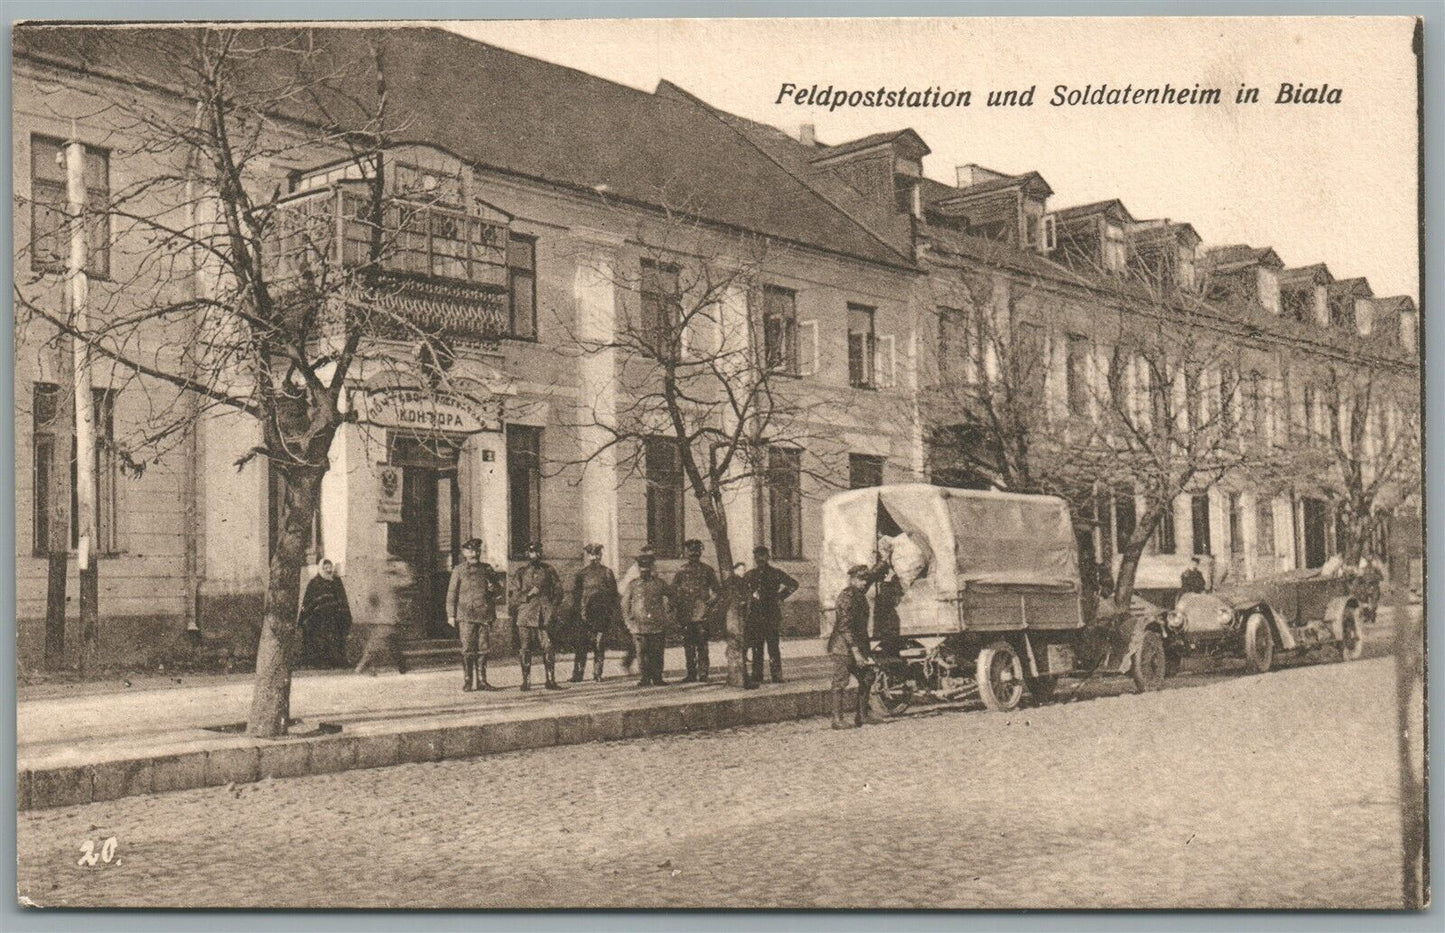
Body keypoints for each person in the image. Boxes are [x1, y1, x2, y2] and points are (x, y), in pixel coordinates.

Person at [829, 564, 884, 729]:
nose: (864, 583)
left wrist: (884, 560)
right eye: (861, 580)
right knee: (840, 682)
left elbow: (873, 575)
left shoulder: (859, 593)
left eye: (866, 580)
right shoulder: (847, 596)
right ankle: (837, 720)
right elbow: (844, 627)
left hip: (856, 646)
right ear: (852, 579)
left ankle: (862, 715)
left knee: (867, 677)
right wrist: (857, 653)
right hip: (843, 647)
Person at [447, 538, 503, 692]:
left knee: (483, 648)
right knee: (467, 649)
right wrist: (451, 615)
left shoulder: (487, 569)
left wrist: (494, 588)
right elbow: (452, 593)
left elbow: (499, 591)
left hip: (484, 614)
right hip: (466, 615)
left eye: (477, 550)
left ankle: (482, 681)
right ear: (465, 553)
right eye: (470, 551)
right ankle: (467, 680)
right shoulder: (458, 570)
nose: (474, 553)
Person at [508, 541, 564, 691]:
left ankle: (550, 680)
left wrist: (552, 606)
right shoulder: (521, 572)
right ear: (528, 554)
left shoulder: (549, 570)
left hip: (545, 615)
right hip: (526, 615)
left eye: (538, 552)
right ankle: (526, 681)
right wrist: (528, 594)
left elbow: (559, 591)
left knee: (548, 646)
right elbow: (513, 596)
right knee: (525, 648)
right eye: (532, 552)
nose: (536, 555)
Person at [743, 546, 798, 684]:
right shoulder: (749, 575)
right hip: (755, 616)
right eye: (757, 556)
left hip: (771, 615)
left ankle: (777, 675)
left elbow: (793, 584)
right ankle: (757, 675)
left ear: (768, 557)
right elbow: (743, 592)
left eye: (762, 555)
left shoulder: (776, 573)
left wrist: (780, 596)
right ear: (754, 558)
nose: (760, 559)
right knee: (757, 647)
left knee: (773, 647)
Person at [569, 543, 622, 682]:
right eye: (592, 555)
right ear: (588, 556)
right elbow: (576, 595)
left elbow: (613, 595)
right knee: (581, 645)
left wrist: (610, 613)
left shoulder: (607, 572)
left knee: (599, 644)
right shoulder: (582, 574)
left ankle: (597, 674)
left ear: (600, 556)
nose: (594, 557)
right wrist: (578, 613)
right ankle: (578, 675)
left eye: (597, 554)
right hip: (584, 614)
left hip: (601, 614)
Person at [671, 539, 720, 682]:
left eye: (696, 551)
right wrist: (673, 606)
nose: (693, 554)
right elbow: (674, 591)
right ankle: (691, 673)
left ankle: (703, 673)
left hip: (702, 614)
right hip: (685, 614)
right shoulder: (681, 571)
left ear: (700, 552)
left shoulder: (707, 570)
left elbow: (717, 591)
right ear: (686, 553)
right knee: (688, 645)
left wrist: (709, 604)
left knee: (702, 645)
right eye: (690, 551)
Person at [624, 551, 674, 687]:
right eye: (642, 568)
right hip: (638, 626)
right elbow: (625, 604)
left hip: (657, 624)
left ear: (651, 568)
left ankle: (657, 677)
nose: (645, 571)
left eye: (647, 568)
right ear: (639, 569)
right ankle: (645, 677)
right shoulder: (633, 585)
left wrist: (668, 613)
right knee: (641, 653)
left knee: (657, 652)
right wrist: (629, 622)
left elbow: (672, 596)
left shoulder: (659, 584)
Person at [355, 560, 410, 676]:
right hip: (387, 617)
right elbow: (407, 582)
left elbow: (371, 597)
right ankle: (363, 666)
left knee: (390, 642)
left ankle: (400, 667)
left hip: (382, 616)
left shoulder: (378, 578)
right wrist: (403, 570)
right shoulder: (391, 578)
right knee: (379, 643)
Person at [300, 558, 352, 669]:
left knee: (336, 638)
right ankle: (320, 662)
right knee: (320, 639)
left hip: (335, 617)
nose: (328, 570)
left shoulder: (337, 581)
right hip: (319, 619)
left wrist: (344, 614)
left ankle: (336, 662)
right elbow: (309, 601)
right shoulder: (314, 583)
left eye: (330, 567)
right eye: (325, 567)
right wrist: (305, 617)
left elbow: (342, 598)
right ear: (321, 568)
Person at [719, 562, 756, 689]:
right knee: (738, 646)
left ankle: (741, 677)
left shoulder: (743, 582)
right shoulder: (733, 582)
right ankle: (740, 678)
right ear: (734, 570)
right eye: (740, 569)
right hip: (735, 618)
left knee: (741, 646)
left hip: (742, 618)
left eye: (743, 570)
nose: (742, 572)